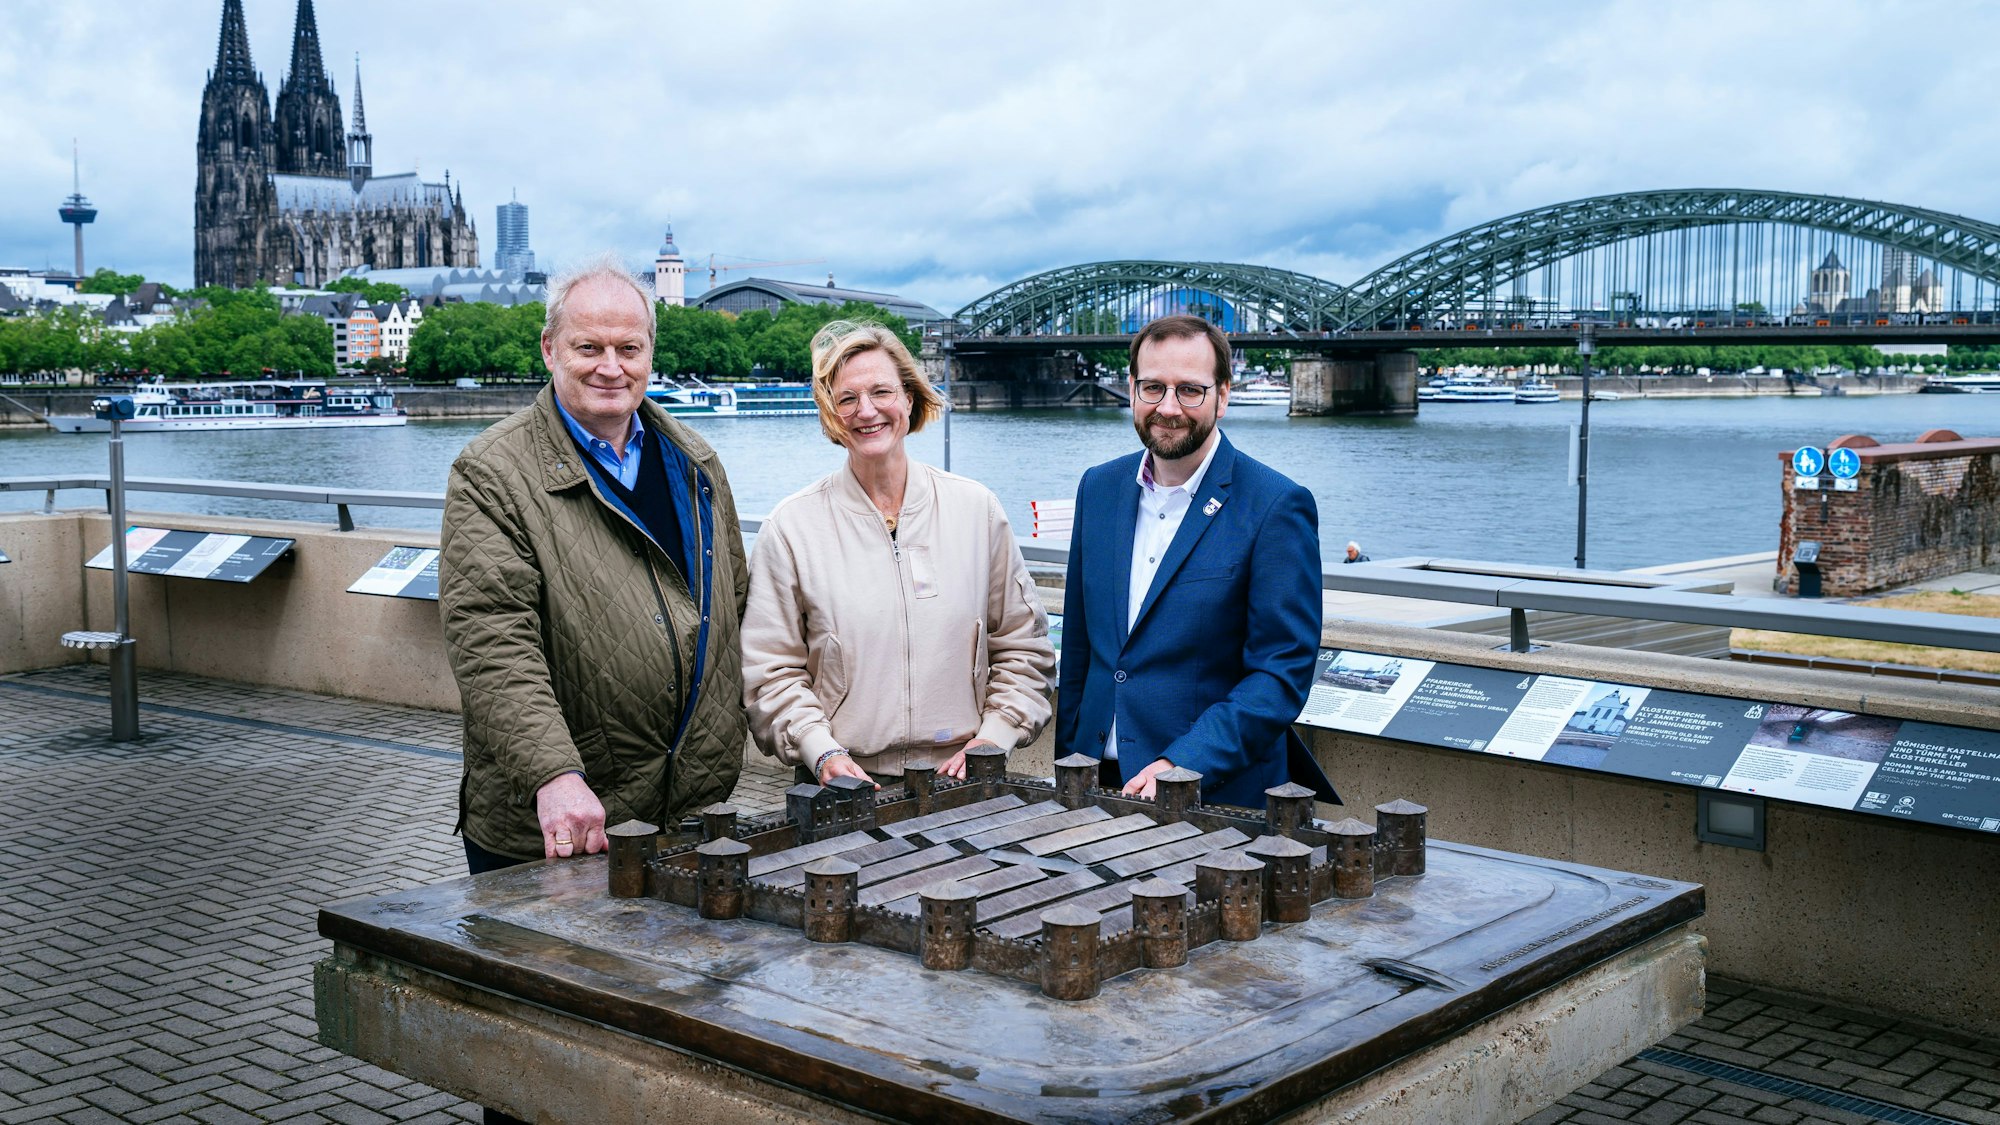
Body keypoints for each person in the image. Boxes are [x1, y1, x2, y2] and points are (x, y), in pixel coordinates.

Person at [441, 256, 748, 873]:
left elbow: (734, 604)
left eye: (629, 348)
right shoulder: (490, 474)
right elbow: (493, 640)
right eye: (590, 347)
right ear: (550, 349)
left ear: (650, 354)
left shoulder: (697, 464)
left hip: (688, 809)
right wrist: (552, 773)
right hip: (564, 821)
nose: (612, 367)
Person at [742, 320, 1054, 788]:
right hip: (841, 784)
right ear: (831, 414)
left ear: (909, 398)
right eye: (847, 399)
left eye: (881, 392)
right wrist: (819, 749)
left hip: (964, 778)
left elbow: (1023, 646)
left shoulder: (976, 510)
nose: (866, 411)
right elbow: (769, 672)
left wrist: (993, 739)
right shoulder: (791, 527)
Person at [1055, 314, 1336, 808]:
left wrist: (1184, 764)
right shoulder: (1097, 487)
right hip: (1095, 783)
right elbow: (1081, 649)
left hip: (1212, 794)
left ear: (1222, 396)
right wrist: (1069, 770)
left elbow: (1280, 673)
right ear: (1132, 389)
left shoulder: (1276, 505)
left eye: (1190, 390)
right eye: (1152, 388)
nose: (1168, 408)